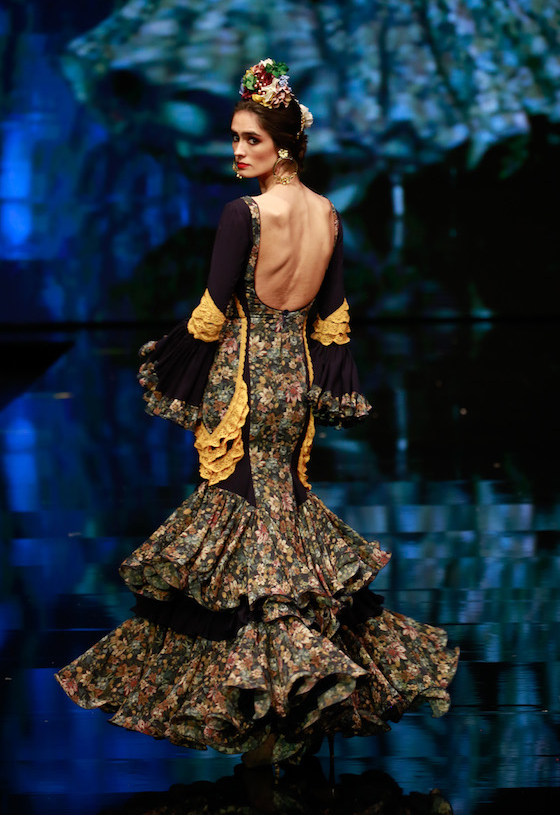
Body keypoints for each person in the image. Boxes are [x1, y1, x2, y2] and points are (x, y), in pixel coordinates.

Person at [55, 59, 459, 767]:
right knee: (281, 516)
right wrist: (327, 385)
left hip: (244, 383)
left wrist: (168, 367)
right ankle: (292, 694)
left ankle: (272, 698)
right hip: (294, 384)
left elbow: (213, 314)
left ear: (285, 147)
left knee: (245, 528)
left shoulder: (243, 214)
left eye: (252, 140)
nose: (237, 151)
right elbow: (333, 319)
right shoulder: (327, 214)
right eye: (235, 138)